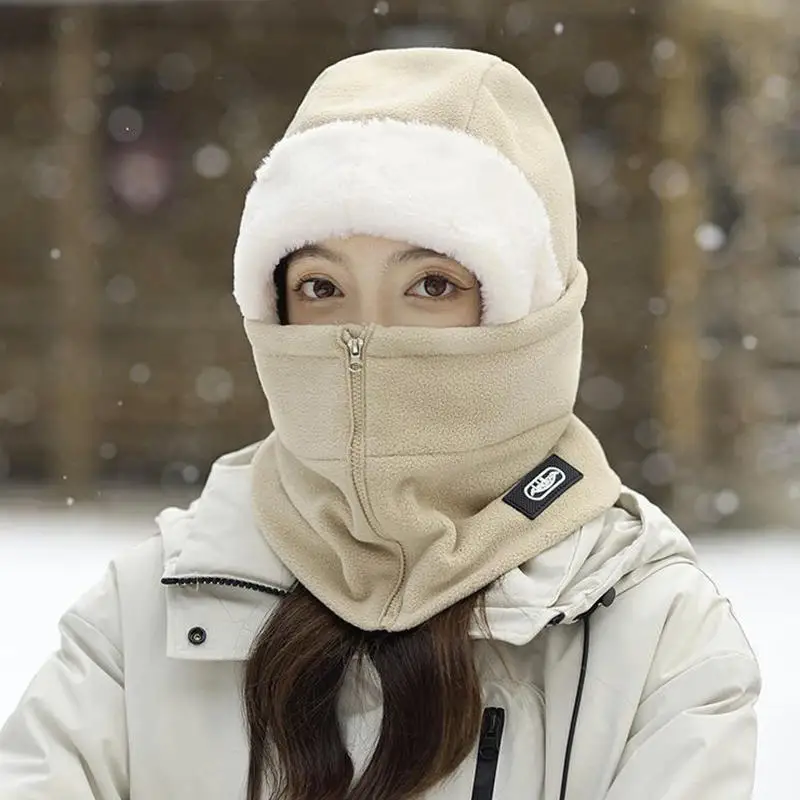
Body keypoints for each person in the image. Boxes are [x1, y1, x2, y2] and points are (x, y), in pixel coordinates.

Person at [0, 48, 760, 800]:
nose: (364, 337)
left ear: (529, 316)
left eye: (431, 284)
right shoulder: (141, 619)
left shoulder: (654, 636)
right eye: (321, 286)